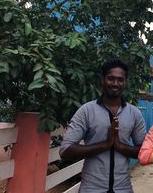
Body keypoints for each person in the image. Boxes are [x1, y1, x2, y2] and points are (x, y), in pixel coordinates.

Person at [60, 58, 146, 193]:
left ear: (125, 82)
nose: (115, 83)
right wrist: (104, 145)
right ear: (102, 80)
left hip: (123, 188)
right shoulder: (86, 111)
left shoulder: (134, 113)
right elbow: (65, 151)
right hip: (91, 188)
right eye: (110, 78)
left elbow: (144, 151)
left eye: (120, 79)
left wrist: (119, 146)